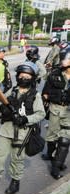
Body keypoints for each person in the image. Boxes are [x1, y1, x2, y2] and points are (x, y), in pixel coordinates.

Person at [0, 62, 45, 194]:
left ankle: (15, 182)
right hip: (6, 130)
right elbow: (0, 100)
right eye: (21, 75)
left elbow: (41, 114)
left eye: (27, 76)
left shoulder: (35, 95)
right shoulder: (13, 90)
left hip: (22, 132)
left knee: (17, 159)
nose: (24, 78)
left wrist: (26, 119)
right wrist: (1, 108)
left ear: (32, 78)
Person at [41, 47, 70, 179]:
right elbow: (45, 93)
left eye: (66, 59)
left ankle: (56, 166)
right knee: (52, 136)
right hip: (55, 108)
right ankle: (52, 155)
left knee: (64, 140)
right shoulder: (55, 74)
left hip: (69, 111)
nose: (64, 61)